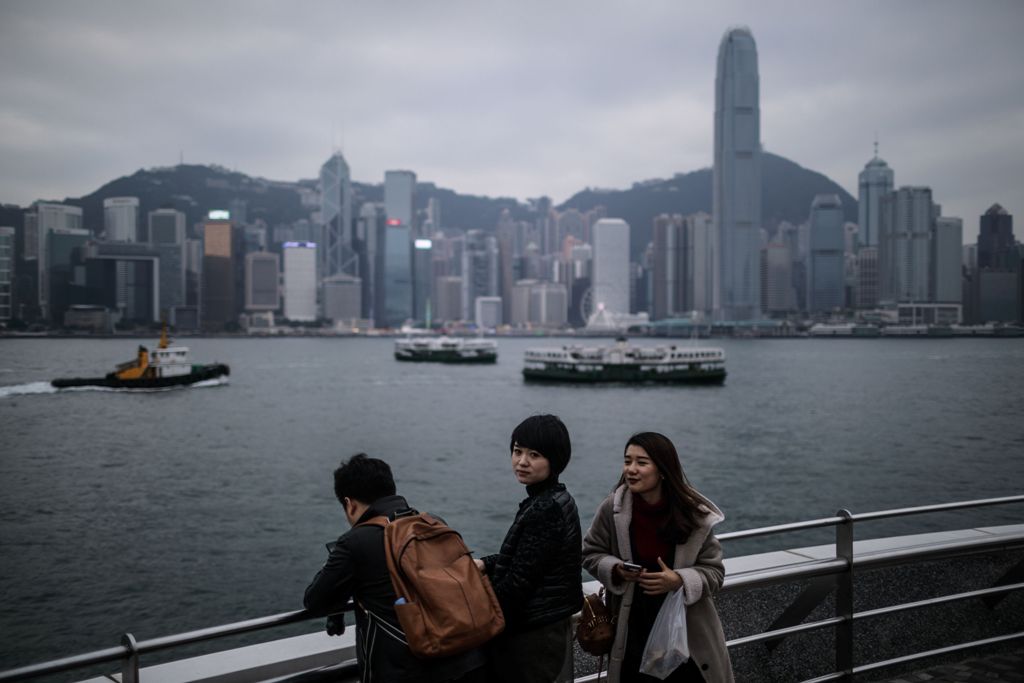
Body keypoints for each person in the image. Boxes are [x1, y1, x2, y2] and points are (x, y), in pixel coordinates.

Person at [303, 453, 485, 683]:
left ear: (349, 504)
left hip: (404, 672)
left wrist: (330, 567)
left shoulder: (355, 542)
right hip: (466, 660)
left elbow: (314, 600)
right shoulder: (434, 522)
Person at [582, 432, 733, 683]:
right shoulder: (613, 509)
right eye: (627, 461)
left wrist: (679, 581)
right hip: (632, 631)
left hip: (685, 631)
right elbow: (590, 553)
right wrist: (616, 569)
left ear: (663, 469)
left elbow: (715, 573)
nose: (631, 469)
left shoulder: (693, 514)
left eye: (641, 462)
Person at [474, 414, 584, 682]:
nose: (522, 462)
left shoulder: (545, 508)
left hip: (533, 633)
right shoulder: (556, 498)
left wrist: (476, 613)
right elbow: (532, 556)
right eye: (517, 451)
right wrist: (486, 563)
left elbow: (518, 582)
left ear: (555, 460)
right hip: (546, 623)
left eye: (534, 454)